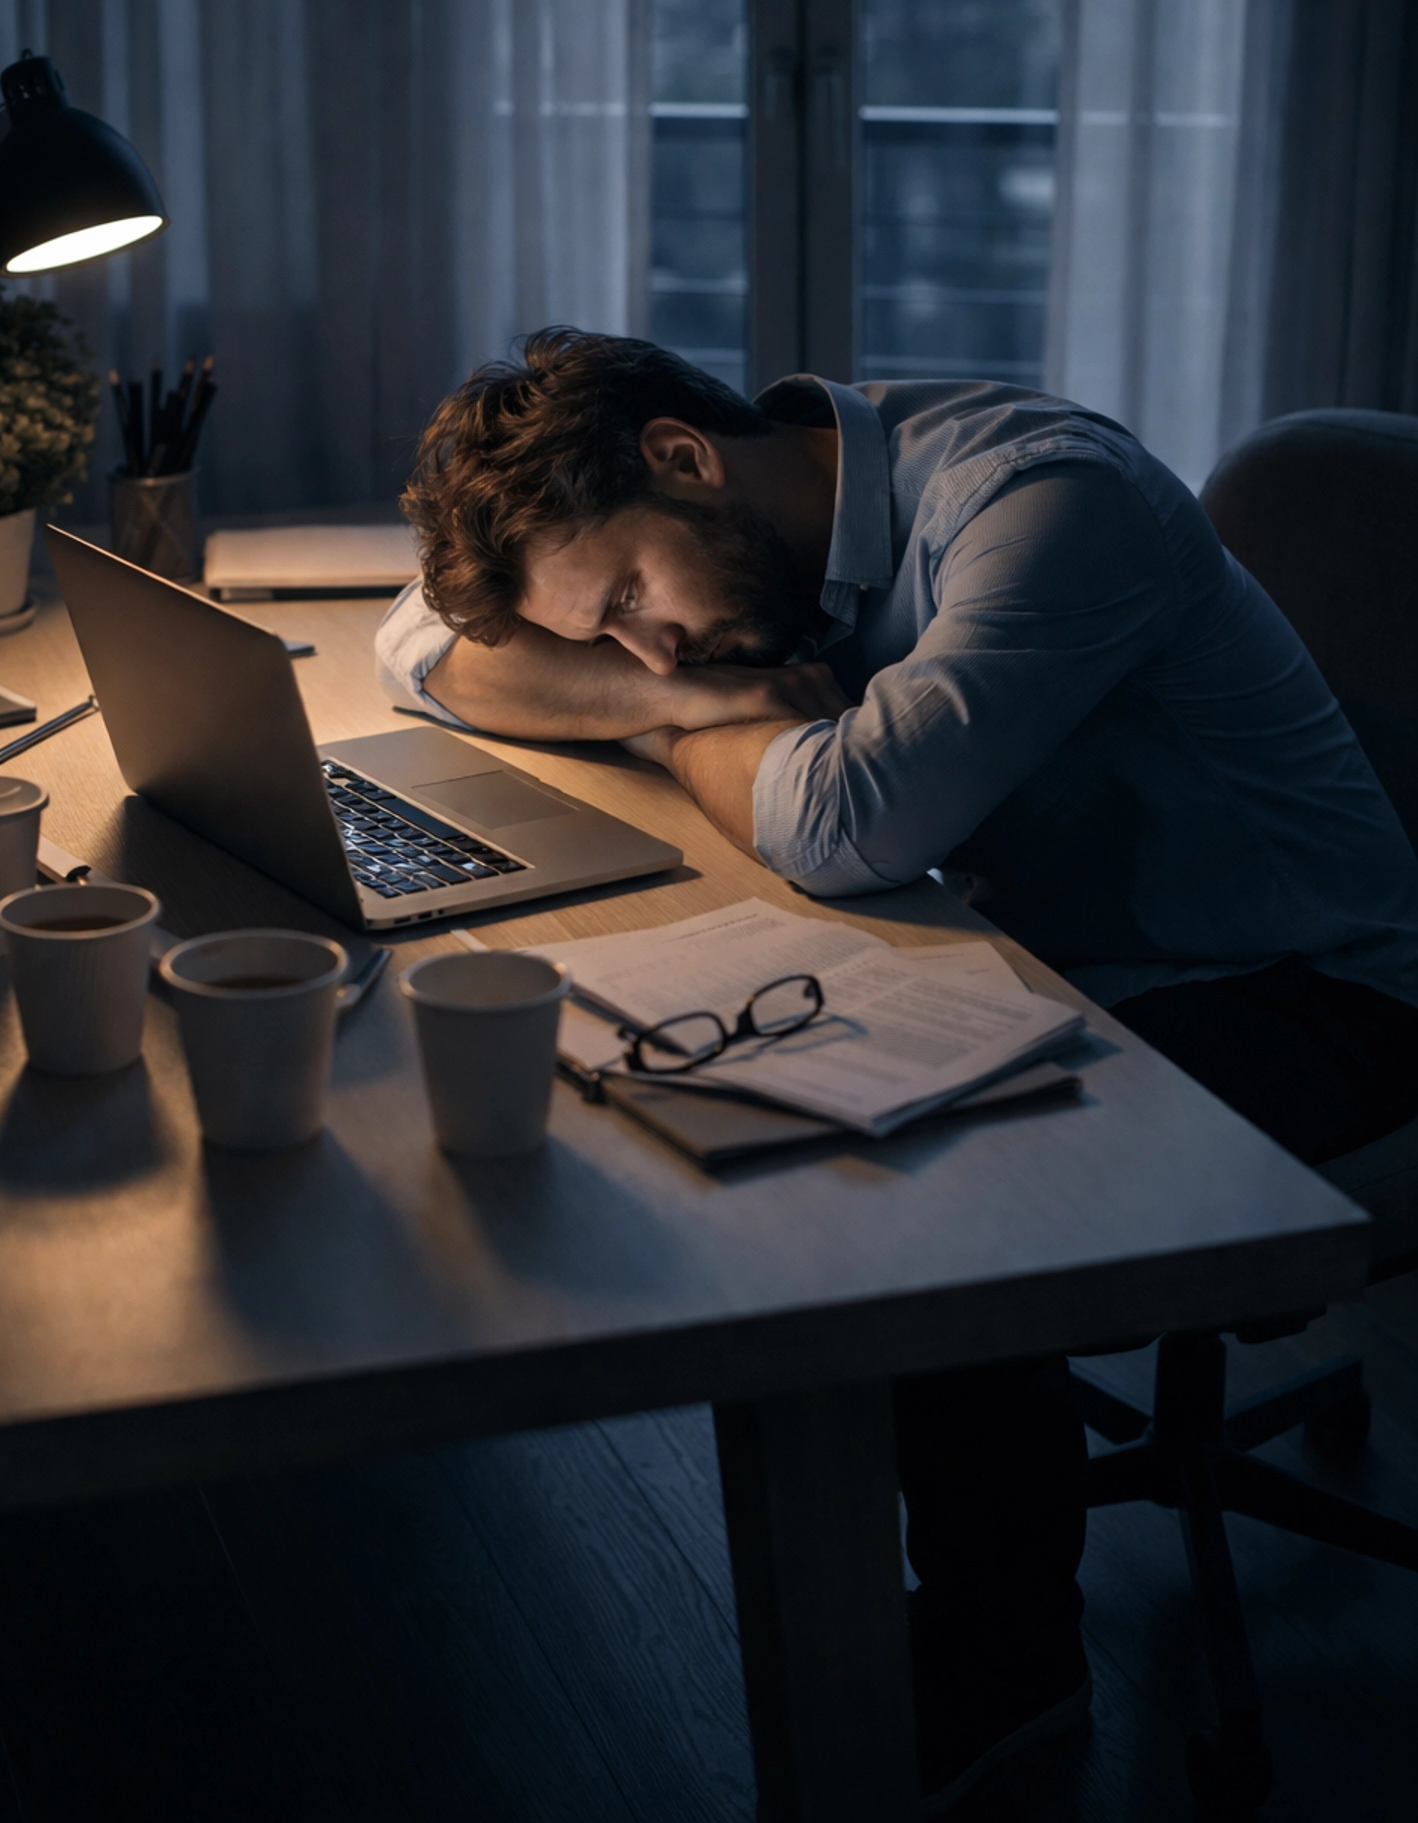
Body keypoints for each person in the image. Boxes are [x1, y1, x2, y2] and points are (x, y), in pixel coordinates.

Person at [376, 328, 1418, 1811]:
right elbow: (414, 645)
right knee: (769, 1097)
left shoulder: (1043, 503)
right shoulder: (747, 555)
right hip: (1049, 957)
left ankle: (1016, 1674)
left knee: (929, 1165)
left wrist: (693, 728)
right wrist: (689, 709)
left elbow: (852, 818)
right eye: (599, 638)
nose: (644, 650)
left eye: (625, 603)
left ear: (682, 455)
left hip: (1306, 986)